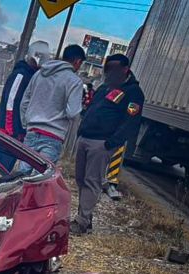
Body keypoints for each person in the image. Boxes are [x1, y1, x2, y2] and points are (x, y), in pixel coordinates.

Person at [72, 53, 145, 234]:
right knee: (81, 179)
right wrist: (81, 130)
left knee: (92, 181)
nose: (109, 72)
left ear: (125, 69)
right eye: (107, 68)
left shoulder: (133, 92)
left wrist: (112, 143)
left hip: (101, 143)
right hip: (85, 138)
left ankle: (80, 222)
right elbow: (91, 109)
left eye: (114, 68)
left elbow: (131, 121)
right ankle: (86, 218)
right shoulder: (105, 87)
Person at [18, 44, 87, 170]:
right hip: (53, 136)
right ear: (78, 61)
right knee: (40, 179)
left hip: (32, 131)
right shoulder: (74, 81)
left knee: (22, 176)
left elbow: (24, 102)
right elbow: (73, 113)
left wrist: (25, 124)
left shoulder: (39, 73)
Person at [0, 42, 47, 169]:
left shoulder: (31, 75)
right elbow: (10, 103)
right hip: (8, 131)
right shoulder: (21, 74)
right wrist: (12, 130)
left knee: (4, 167)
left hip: (16, 132)